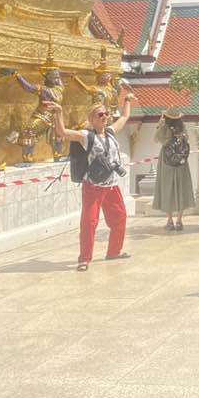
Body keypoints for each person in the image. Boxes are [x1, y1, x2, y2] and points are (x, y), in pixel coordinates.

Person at [47, 93, 134, 271]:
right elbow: (63, 133)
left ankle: (114, 251)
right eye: (100, 115)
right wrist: (59, 113)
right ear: (92, 119)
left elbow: (125, 116)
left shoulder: (110, 133)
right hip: (93, 187)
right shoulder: (87, 136)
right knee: (89, 222)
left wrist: (127, 101)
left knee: (119, 218)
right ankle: (85, 258)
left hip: (111, 185)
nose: (104, 117)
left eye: (106, 114)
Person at [152, 106, 194, 231]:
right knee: (181, 188)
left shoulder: (164, 127)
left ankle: (170, 221)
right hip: (180, 160)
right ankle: (179, 221)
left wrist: (159, 125)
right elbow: (187, 139)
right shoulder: (182, 127)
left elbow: (156, 139)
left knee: (167, 188)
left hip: (167, 160)